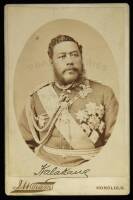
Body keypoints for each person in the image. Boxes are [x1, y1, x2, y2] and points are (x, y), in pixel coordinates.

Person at [19, 35, 119, 166]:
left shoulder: (104, 93)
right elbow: (24, 144)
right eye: (62, 56)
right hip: (45, 169)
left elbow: (116, 146)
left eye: (74, 54)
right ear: (51, 61)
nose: (70, 61)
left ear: (81, 58)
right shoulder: (37, 96)